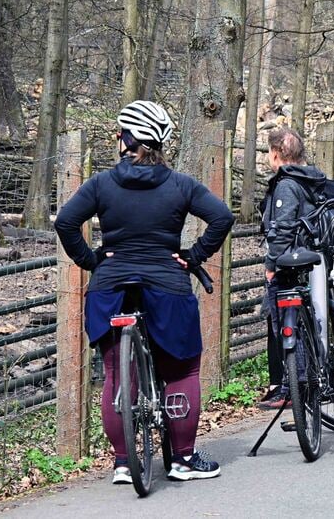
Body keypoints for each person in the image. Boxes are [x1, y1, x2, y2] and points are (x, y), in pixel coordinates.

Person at [54, 100, 234, 484]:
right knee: (182, 369)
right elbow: (222, 217)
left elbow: (66, 221)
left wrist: (91, 260)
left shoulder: (101, 184)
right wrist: (195, 255)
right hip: (166, 284)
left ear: (126, 139)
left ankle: (123, 462)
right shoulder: (181, 184)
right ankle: (182, 460)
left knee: (117, 376)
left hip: (110, 287)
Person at [257, 127, 327, 409]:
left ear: (276, 154)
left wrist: (271, 264)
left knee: (287, 323)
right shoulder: (312, 178)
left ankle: (294, 386)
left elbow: (283, 227)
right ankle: (308, 379)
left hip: (290, 263)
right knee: (307, 322)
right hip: (311, 258)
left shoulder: (287, 184)